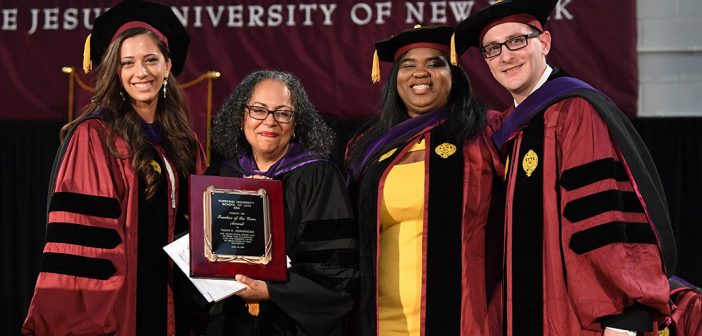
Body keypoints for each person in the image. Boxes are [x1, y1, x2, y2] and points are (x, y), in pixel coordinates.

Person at [454, 0, 678, 335]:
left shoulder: (576, 113)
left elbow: (606, 219)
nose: (505, 56)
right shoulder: (511, 131)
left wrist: (623, 319)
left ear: (544, 42)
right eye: (492, 49)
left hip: (580, 320)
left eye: (517, 41)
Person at [22, 1, 207, 335]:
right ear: (116, 72)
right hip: (121, 315)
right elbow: (85, 243)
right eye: (128, 63)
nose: (141, 72)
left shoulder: (184, 142)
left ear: (168, 66)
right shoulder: (96, 136)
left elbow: (204, 220)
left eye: (151, 60)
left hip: (179, 307)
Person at [345, 25, 503, 336]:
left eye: (435, 63)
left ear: (454, 75)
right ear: (395, 79)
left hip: (463, 319)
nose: (421, 73)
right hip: (379, 321)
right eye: (408, 65)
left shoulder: (484, 134)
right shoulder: (365, 146)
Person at [206, 70, 358, 335]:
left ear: (296, 123)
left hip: (289, 324)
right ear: (241, 116)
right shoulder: (219, 176)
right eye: (259, 110)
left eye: (282, 113)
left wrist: (270, 290)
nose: (270, 121)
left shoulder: (317, 177)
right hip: (229, 321)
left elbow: (335, 270)